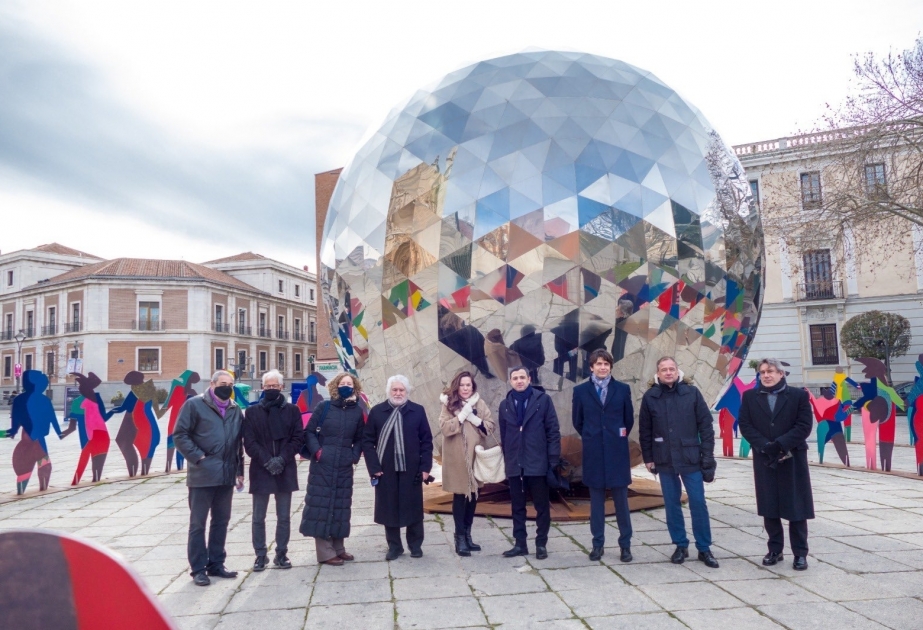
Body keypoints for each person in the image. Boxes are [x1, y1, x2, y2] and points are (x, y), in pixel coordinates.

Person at [639, 357, 719, 568]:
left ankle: (704, 548)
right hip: (664, 459)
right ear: (657, 373)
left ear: (678, 371)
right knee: (672, 504)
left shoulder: (691, 393)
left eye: (671, 368)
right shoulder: (650, 397)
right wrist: (648, 458)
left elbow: (706, 427)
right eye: (664, 369)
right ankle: (680, 545)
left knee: (698, 503)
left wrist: (707, 456)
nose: (668, 372)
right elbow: (645, 430)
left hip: (690, 458)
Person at [738, 358, 815, 571]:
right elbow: (745, 424)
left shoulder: (798, 396)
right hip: (765, 458)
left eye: (770, 371)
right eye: (762, 372)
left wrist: (780, 445)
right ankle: (775, 549)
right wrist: (765, 446)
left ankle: (800, 553)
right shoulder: (750, 397)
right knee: (769, 506)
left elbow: (804, 426)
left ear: (781, 374)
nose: (766, 375)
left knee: (796, 507)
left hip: (792, 458)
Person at [173, 370, 244, 586]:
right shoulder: (194, 405)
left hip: (227, 474)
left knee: (221, 521)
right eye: (223, 383)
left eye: (231, 384)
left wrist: (240, 471)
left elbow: (237, 443)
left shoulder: (234, 409)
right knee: (198, 524)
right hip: (203, 474)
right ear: (212, 384)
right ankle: (198, 569)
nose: (227, 387)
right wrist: (199, 457)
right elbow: (180, 434)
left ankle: (216, 563)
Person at [572, 349, 634, 562]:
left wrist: (614, 436)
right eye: (598, 364)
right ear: (591, 367)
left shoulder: (622, 389)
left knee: (621, 503)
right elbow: (577, 421)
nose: (602, 367)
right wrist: (592, 436)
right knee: (596, 504)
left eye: (606, 364)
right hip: (594, 454)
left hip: (617, 454)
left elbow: (628, 420)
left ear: (611, 366)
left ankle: (625, 545)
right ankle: (597, 545)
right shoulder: (580, 391)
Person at [363, 375, 434, 560]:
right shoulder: (377, 412)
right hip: (385, 469)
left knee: (414, 509)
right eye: (394, 389)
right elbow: (367, 441)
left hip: (412, 470)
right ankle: (395, 547)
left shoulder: (417, 411)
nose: (398, 393)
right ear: (389, 391)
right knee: (389, 509)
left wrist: (426, 467)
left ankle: (415, 545)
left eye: (401, 390)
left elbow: (426, 441)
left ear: (407, 392)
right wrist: (374, 467)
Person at [299, 372, 365, 566]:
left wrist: (354, 456)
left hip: (344, 464)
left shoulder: (356, 411)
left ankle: (338, 548)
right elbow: (309, 432)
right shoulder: (324, 407)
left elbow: (360, 438)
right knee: (321, 505)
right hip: (323, 464)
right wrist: (318, 452)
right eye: (343, 383)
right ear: (336, 386)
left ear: (355, 387)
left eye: (350, 383)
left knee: (341, 506)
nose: (346, 386)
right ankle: (325, 552)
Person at [242, 369, 304, 571]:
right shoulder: (252, 412)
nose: (271, 389)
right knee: (258, 516)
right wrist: (268, 461)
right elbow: (249, 442)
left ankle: (281, 553)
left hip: (285, 469)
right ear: (262, 387)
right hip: (261, 469)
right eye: (267, 386)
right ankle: (260, 555)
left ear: (282, 387)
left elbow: (297, 438)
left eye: (274, 386)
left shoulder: (293, 411)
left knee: (284, 516)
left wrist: (282, 460)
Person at [498, 366, 561, 559]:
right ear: (510, 381)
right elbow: (504, 433)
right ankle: (520, 544)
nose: (519, 381)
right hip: (516, 464)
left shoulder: (542, 401)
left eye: (522, 377)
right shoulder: (505, 404)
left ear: (529, 379)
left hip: (537, 463)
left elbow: (553, 431)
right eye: (515, 378)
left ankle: (541, 544)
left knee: (541, 506)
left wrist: (552, 460)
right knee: (517, 506)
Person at [438, 371, 495, 556]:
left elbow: (490, 425)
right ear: (457, 386)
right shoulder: (448, 404)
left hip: (474, 456)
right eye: (462, 385)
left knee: (474, 494)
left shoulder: (479, 402)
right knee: (461, 495)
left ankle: (468, 536)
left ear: (473, 387)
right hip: (457, 458)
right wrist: (461, 417)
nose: (465, 388)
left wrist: (476, 420)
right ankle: (459, 537)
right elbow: (445, 428)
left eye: (468, 385)